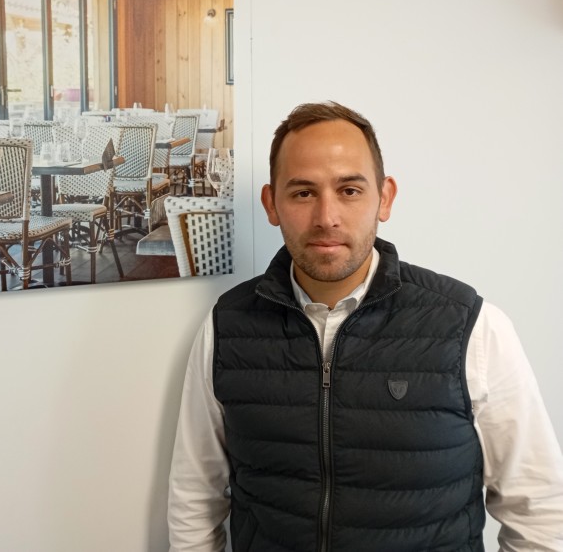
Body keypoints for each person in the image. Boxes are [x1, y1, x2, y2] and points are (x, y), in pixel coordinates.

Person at [167, 102, 563, 551]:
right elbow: (195, 496)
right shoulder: (227, 325)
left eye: (349, 190)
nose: (327, 217)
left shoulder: (471, 326)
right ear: (271, 203)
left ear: (385, 198)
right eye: (303, 193)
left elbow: (538, 510)